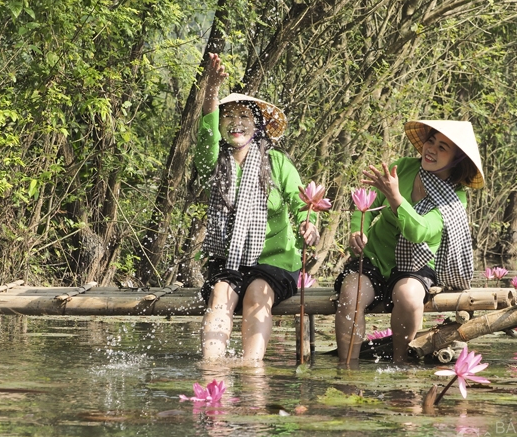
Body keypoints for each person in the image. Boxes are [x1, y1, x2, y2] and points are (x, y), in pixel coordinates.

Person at [197, 53, 319, 362]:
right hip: (229, 261)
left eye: (244, 117)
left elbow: (302, 202)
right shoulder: (215, 162)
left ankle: (252, 370)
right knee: (220, 294)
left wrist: (310, 224)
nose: (235, 122)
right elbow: (205, 137)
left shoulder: (277, 163)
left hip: (276, 264)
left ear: (258, 126)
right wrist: (212, 88)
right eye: (228, 116)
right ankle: (212, 369)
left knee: (256, 295)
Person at [334, 120, 484, 365]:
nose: (431, 149)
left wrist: (396, 198)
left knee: (409, 296)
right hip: (375, 258)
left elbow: (420, 231)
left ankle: (400, 364)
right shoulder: (402, 167)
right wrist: (356, 231)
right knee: (351, 292)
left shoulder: (455, 198)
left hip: (416, 266)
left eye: (442, 147)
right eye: (430, 141)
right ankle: (347, 369)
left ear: (457, 160)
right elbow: (367, 207)